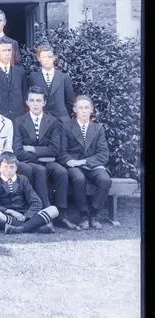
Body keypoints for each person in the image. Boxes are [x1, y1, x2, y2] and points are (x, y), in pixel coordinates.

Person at [13, 86, 76, 229]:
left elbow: (54, 149)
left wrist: (33, 149)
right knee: (39, 170)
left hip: (48, 161)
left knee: (61, 171)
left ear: (44, 103)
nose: (35, 104)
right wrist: (42, 157)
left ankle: (62, 214)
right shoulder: (18, 121)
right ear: (27, 102)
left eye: (38, 100)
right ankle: (46, 213)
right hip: (29, 163)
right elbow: (18, 151)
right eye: (32, 100)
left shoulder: (53, 122)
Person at [62, 94, 117, 230]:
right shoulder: (66, 126)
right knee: (79, 178)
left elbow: (103, 154)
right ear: (75, 109)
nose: (84, 111)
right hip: (73, 166)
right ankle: (83, 215)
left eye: (87, 107)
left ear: (92, 109)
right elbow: (61, 152)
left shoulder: (98, 128)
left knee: (105, 180)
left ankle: (93, 214)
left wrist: (83, 162)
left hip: (91, 165)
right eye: (80, 108)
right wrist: (71, 162)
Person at [0, 153, 59, 234]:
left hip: (25, 215)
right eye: (5, 167)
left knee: (53, 209)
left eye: (12, 167)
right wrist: (10, 211)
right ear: (0, 167)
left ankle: (20, 228)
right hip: (6, 216)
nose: (9, 170)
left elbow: (36, 202)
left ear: (16, 168)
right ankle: (33, 227)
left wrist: (26, 216)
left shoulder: (23, 180)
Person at [28, 43, 75, 126]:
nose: (47, 60)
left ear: (54, 58)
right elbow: (30, 99)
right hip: (40, 122)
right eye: (43, 57)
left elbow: (70, 101)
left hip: (61, 122)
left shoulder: (63, 77)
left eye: (49, 57)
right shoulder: (33, 77)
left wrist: (63, 115)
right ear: (39, 58)